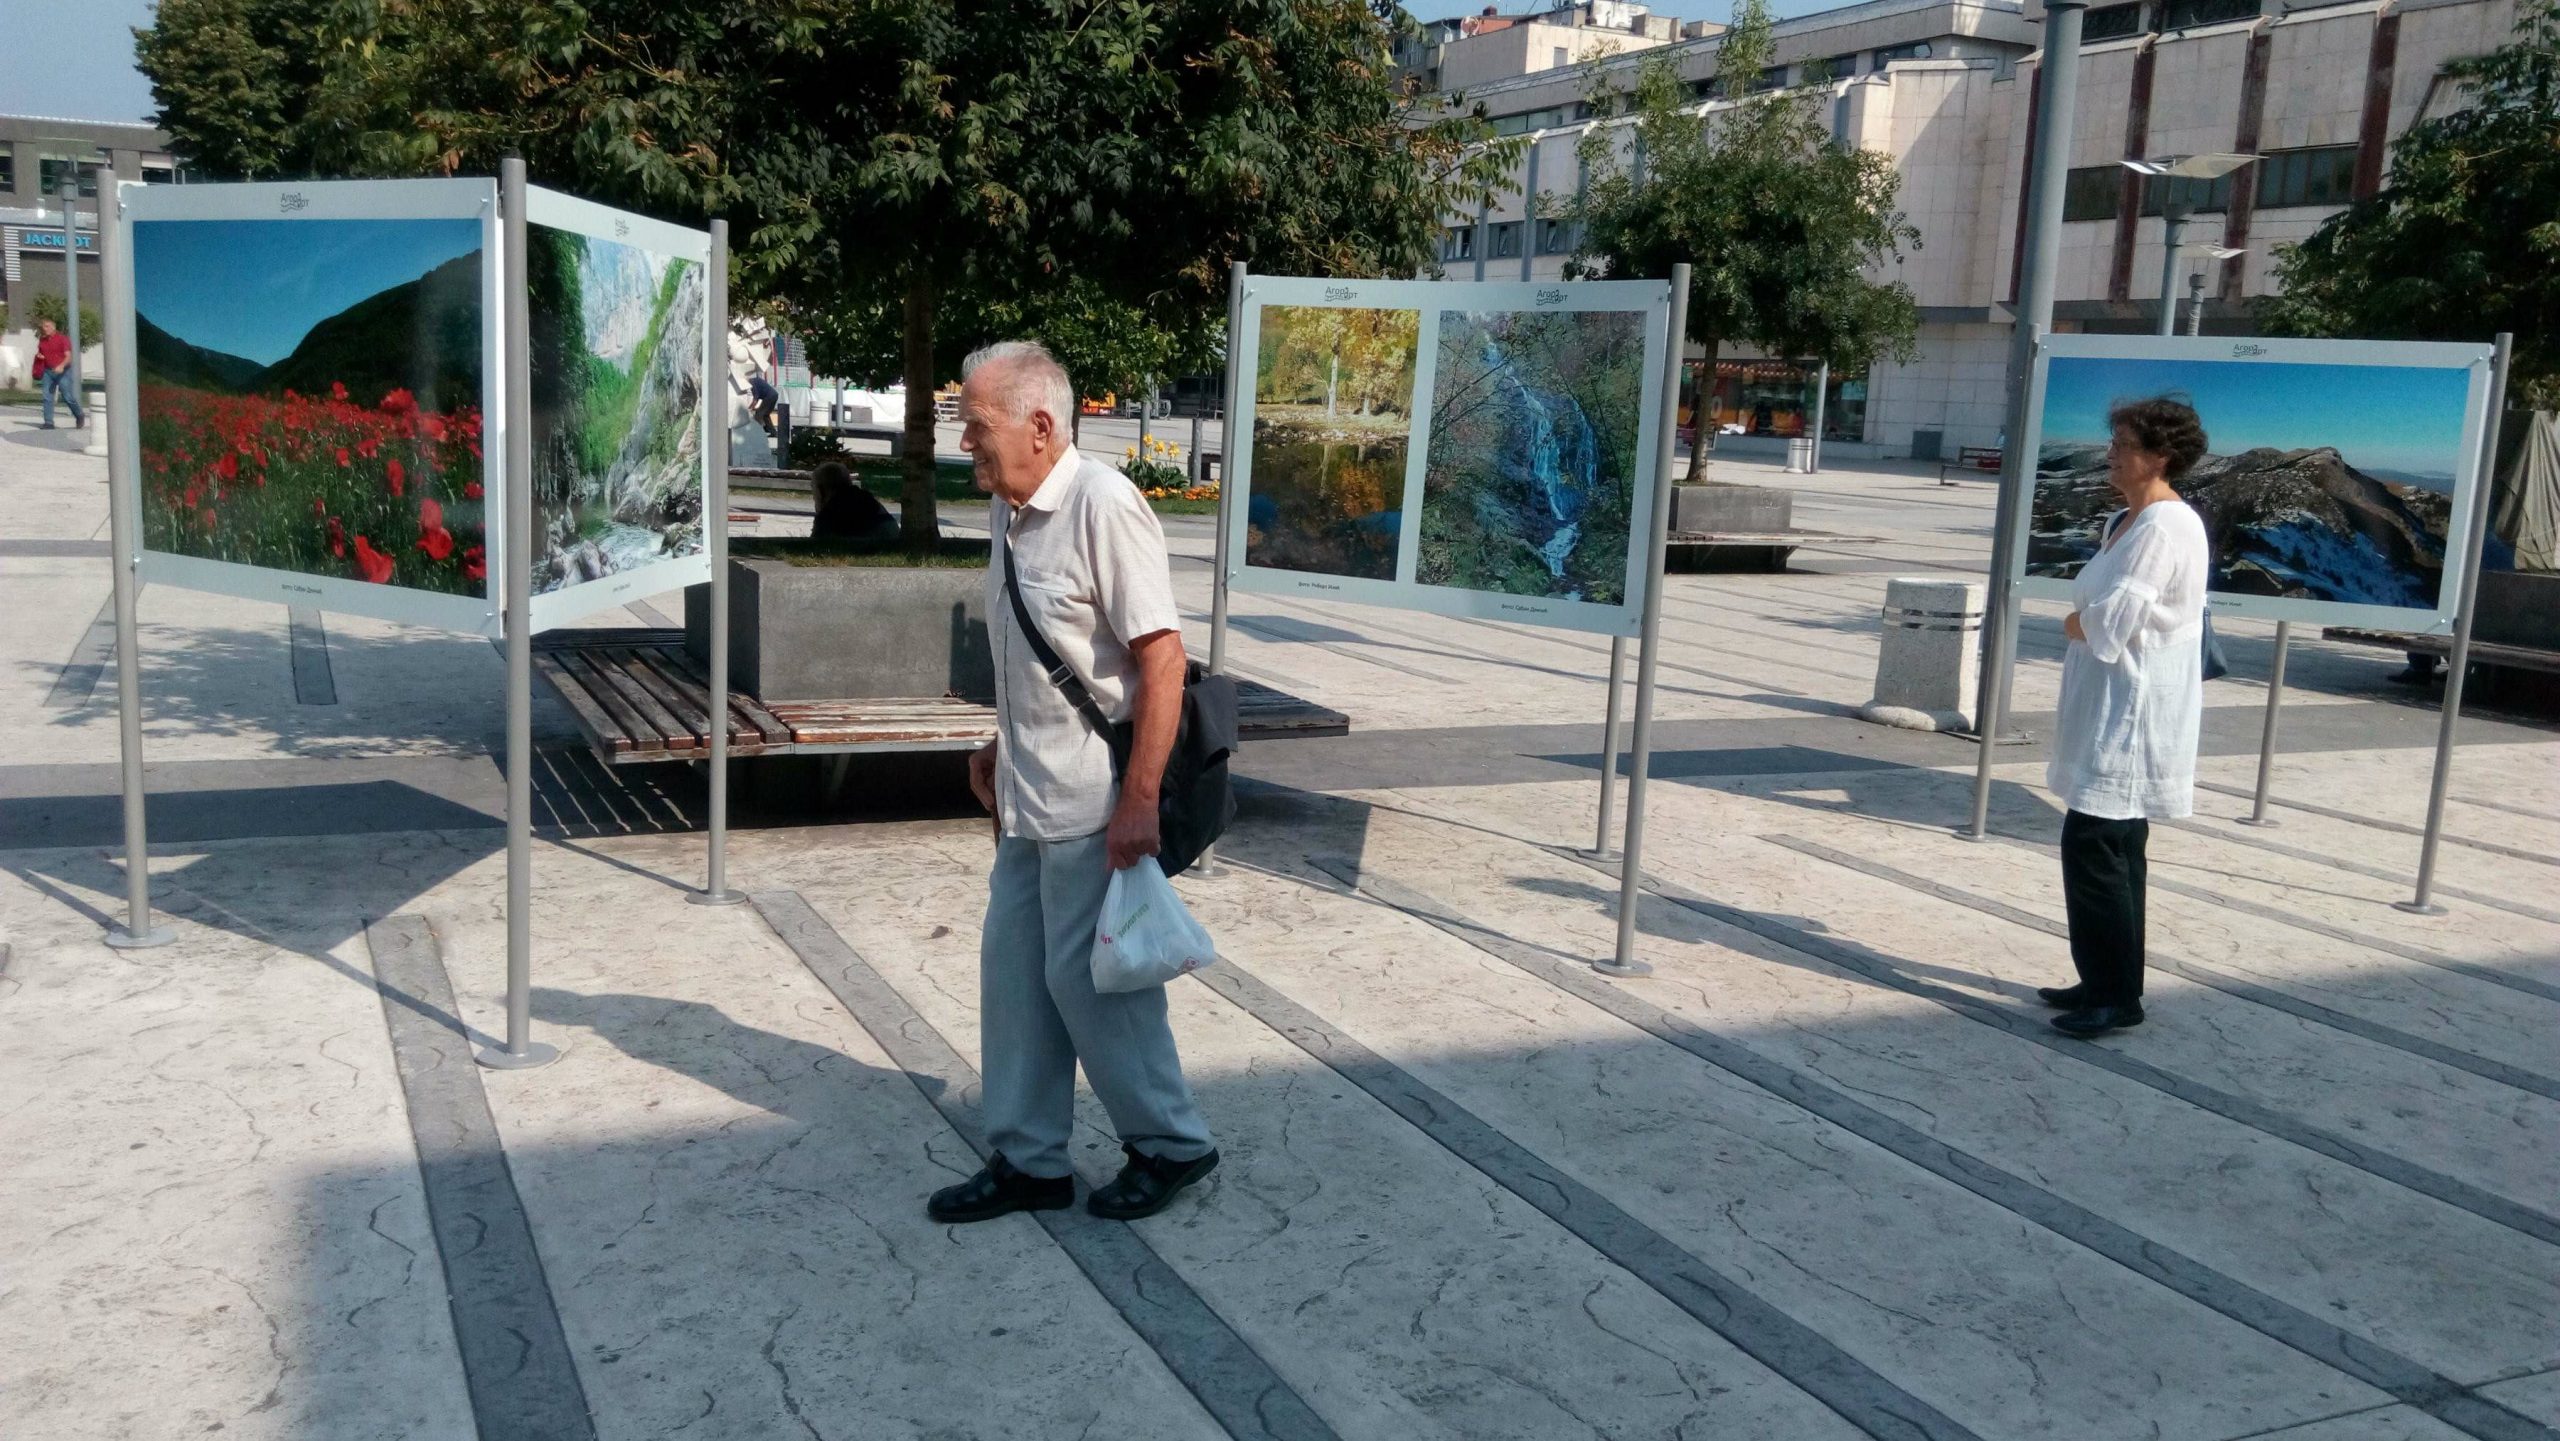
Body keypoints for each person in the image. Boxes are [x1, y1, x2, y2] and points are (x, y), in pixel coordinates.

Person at [928, 340, 1218, 1225]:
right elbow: (1048, 651)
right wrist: (995, 739)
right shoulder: (1011, 513)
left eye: (977, 426)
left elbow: (1160, 664)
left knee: (1096, 984)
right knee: (1015, 979)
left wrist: (1138, 799)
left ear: (1042, 426)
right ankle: (1028, 1159)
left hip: (1094, 804)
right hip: (1025, 793)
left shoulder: (1104, 504)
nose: (966, 444)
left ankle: (1171, 1144)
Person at [2039, 395, 2211, 1038]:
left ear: (2160, 456)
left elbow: (2110, 622)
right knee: (2114, 849)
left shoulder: (2167, 526)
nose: (2110, 453)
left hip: (2132, 711)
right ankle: (2105, 978)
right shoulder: (2126, 520)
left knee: (2096, 846)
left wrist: (2071, 623)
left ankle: (2115, 995)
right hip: (2110, 701)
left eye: (2123, 444)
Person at [808, 461, 901, 549]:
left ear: (821, 490)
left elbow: (814, 546)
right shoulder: (867, 500)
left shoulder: (829, 514)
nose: (813, 497)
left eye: (813, 488)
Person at [32, 317, 85, 430]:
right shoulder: (42, 340)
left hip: (63, 371)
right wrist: (40, 357)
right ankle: (48, 422)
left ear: (53, 327)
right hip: (48, 371)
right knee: (47, 396)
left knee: (67, 396)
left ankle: (79, 415)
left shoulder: (62, 339)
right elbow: (41, 353)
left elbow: (68, 357)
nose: (44, 329)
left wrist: (61, 366)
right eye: (43, 326)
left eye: (47, 326)